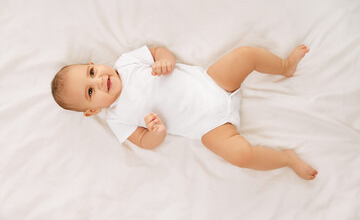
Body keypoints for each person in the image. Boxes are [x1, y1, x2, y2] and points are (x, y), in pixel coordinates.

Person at [51, 44, 318, 180]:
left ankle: (283, 66)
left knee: (245, 54)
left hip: (213, 83)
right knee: (241, 155)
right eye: (89, 92)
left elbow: (156, 50)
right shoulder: (116, 118)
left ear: (94, 64)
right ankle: (286, 160)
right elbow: (145, 142)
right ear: (92, 110)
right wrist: (156, 132)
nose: (98, 81)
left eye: (91, 72)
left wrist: (165, 59)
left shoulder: (127, 62)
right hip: (209, 127)